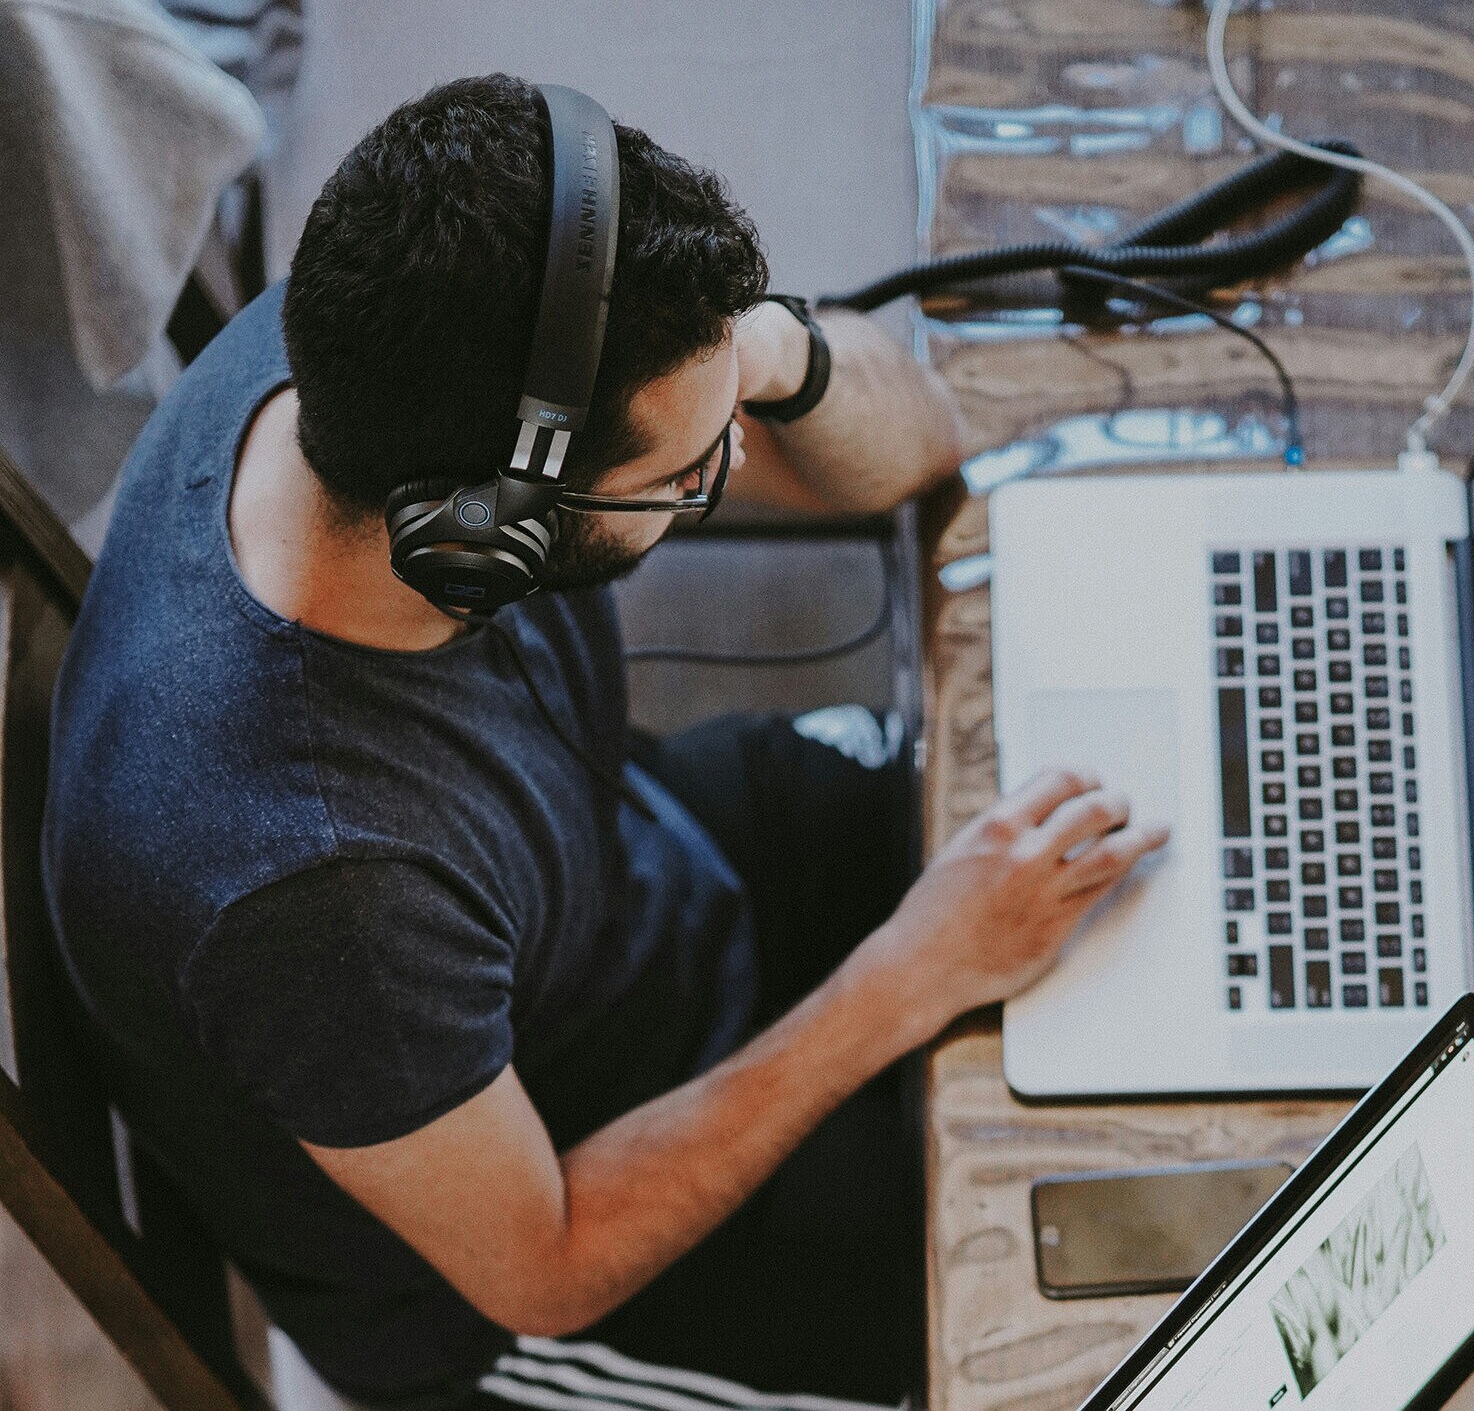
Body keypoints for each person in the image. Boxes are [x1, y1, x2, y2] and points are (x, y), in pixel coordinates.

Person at [42, 74, 1167, 1411]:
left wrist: (757, 352)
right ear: (485, 535)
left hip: (622, 886)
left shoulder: (386, 336)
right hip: (541, 1248)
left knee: (1120, 849)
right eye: (683, 477)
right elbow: (547, 1264)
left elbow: (923, 445)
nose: (729, 472)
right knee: (1093, 1309)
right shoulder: (308, 891)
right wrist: (908, 976)